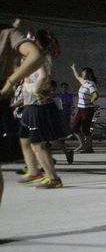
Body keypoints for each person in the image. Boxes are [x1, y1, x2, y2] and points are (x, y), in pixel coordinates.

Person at [16, 30, 71, 189]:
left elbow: (42, 76)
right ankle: (33, 171)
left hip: (37, 105)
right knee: (25, 139)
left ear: (33, 39)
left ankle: (53, 178)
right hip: (30, 104)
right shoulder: (36, 55)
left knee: (37, 144)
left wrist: (34, 91)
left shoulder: (39, 56)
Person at [0, 23, 45, 205]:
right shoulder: (8, 34)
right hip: (26, 103)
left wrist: (11, 83)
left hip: (32, 104)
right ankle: (34, 170)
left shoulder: (8, 34)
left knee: (34, 141)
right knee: (28, 141)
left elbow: (38, 62)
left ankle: (42, 172)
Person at [69, 63, 99, 153]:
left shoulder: (91, 84)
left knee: (86, 129)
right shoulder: (83, 82)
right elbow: (77, 76)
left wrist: (91, 101)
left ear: (89, 74)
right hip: (80, 109)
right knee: (75, 128)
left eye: (84, 73)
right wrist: (73, 68)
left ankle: (89, 148)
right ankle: (82, 145)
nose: (82, 74)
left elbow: (96, 94)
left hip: (87, 109)